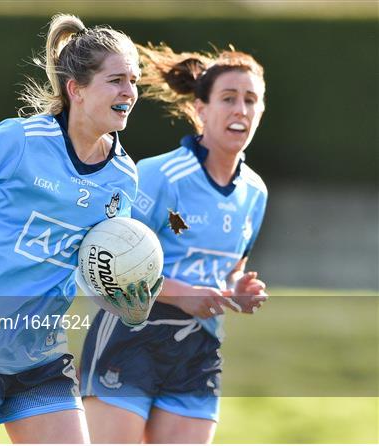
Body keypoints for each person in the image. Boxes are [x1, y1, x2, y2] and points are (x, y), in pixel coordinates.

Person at [0, 14, 161, 444]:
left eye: (133, 81)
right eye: (116, 80)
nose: (129, 93)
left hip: (41, 354)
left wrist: (129, 307)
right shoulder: (20, 140)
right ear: (76, 89)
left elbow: (96, 266)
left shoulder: (123, 178)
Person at [80, 43, 269, 444]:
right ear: (200, 109)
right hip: (129, 340)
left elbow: (228, 269)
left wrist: (237, 290)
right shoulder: (158, 175)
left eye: (251, 100)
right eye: (229, 99)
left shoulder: (255, 192)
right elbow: (104, 268)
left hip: (197, 351)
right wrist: (182, 295)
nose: (241, 110)